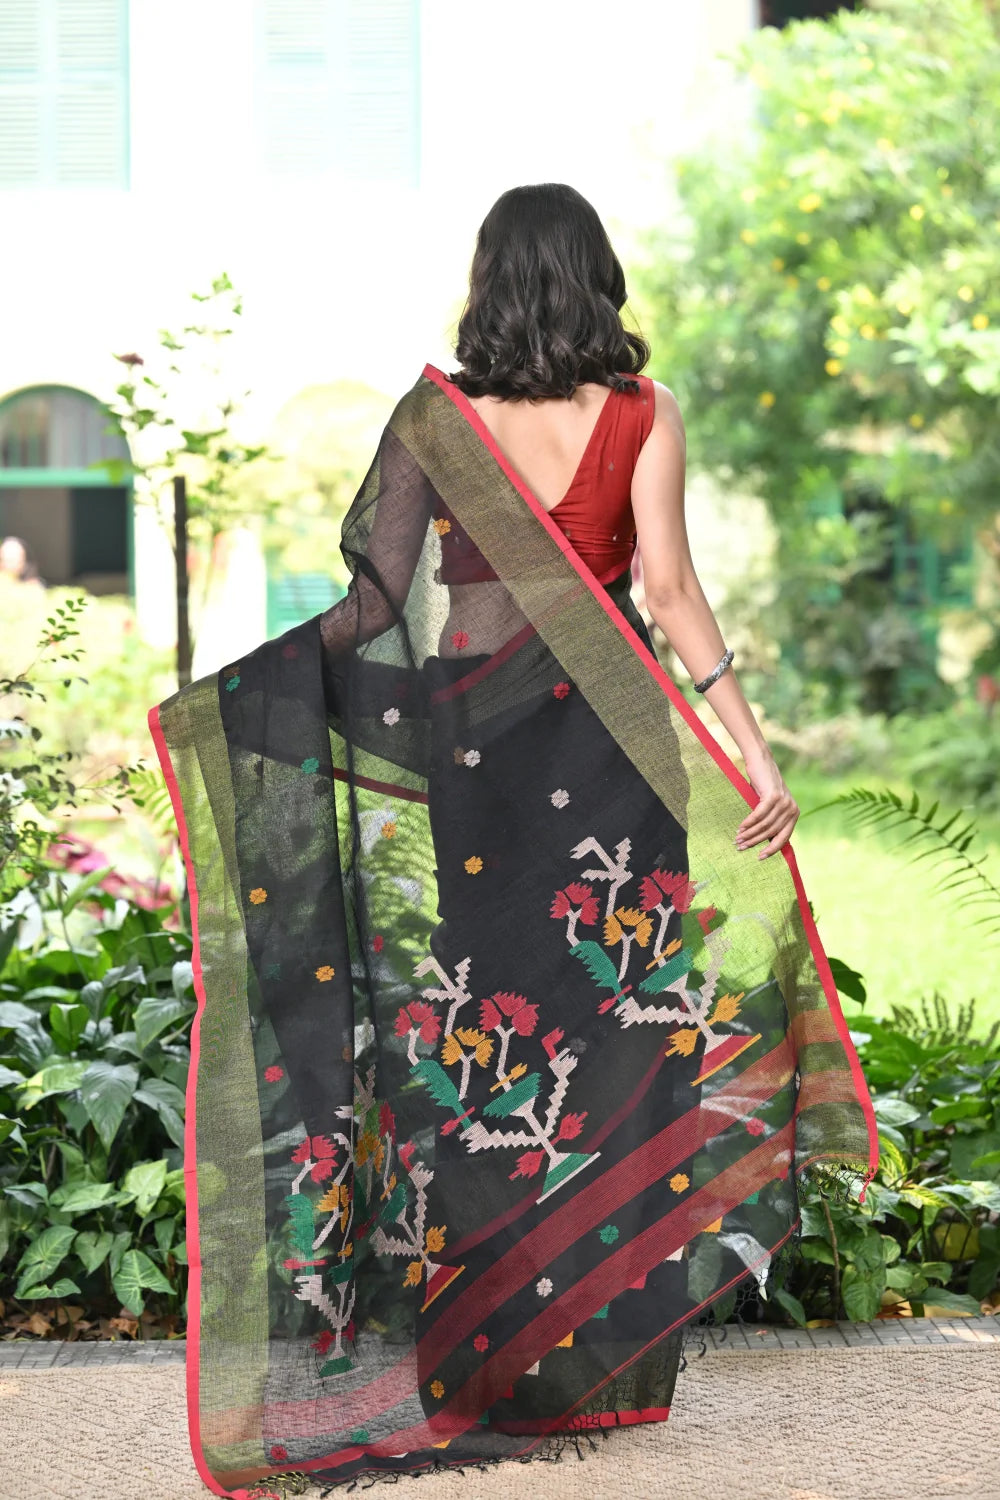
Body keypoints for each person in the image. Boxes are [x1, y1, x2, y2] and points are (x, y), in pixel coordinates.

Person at [149, 183, 877, 1499]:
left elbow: (373, 606)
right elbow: (668, 592)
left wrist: (239, 707)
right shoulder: (645, 413)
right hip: (619, 758)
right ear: (599, 276)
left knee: (483, 1041)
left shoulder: (440, 418)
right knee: (623, 1038)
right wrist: (750, 747)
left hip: (483, 770)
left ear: (490, 281)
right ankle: (589, 1369)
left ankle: (477, 1363)